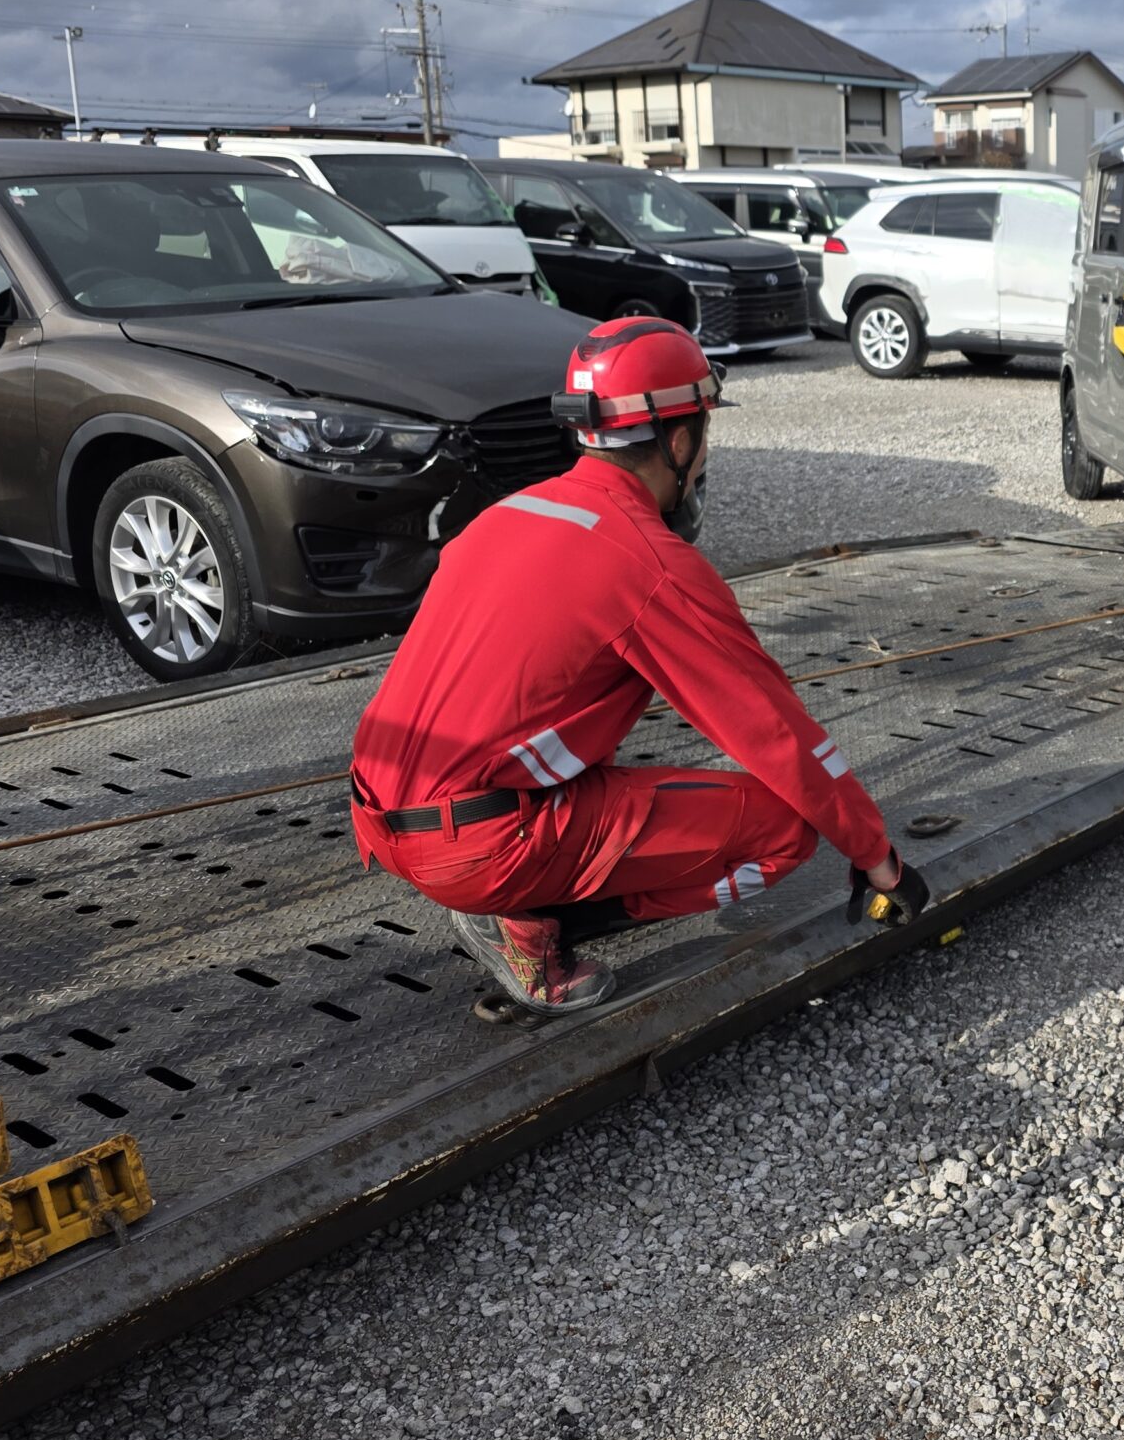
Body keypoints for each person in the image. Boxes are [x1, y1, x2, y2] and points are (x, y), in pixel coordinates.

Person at [348, 316, 918, 1012]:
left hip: (382, 813)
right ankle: (531, 926)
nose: (705, 456)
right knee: (786, 830)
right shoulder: (648, 563)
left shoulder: (506, 514)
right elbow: (775, 735)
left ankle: (512, 895)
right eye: (704, 433)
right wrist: (876, 855)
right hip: (480, 844)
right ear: (680, 440)